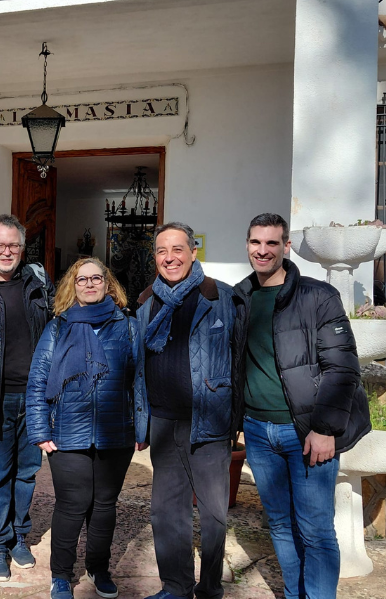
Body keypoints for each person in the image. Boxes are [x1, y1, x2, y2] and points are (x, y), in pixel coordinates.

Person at [232, 213, 370, 598]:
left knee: (316, 531)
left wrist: (325, 429)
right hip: (258, 432)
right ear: (247, 245)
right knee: (279, 525)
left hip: (308, 432)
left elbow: (342, 367)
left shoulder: (317, 296)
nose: (263, 250)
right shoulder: (240, 297)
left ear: (286, 246)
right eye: (256, 242)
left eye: (272, 243)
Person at [26, 257, 148, 599]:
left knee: (105, 504)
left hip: (116, 432)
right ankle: (61, 575)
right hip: (67, 432)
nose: (90, 284)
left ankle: (98, 567)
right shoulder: (57, 327)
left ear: (108, 284)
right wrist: (39, 430)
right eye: (82, 279)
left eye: (97, 278)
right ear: (73, 285)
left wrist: (142, 428)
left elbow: (139, 380)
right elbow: (38, 381)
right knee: (72, 504)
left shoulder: (127, 326)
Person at [137, 222, 236, 599]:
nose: (169, 258)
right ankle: (175, 586)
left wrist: (237, 417)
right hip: (163, 422)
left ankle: (209, 588)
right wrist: (140, 423)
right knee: (166, 512)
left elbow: (240, 358)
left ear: (193, 252)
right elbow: (138, 365)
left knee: (213, 513)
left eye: (177, 249)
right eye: (162, 251)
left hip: (208, 421)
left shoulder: (221, 296)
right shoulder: (147, 301)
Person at [0, 214, 54, 581]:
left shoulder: (39, 285)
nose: (6, 251)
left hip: (34, 400)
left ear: (22, 248)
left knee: (27, 474)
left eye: (13, 245)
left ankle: (19, 537)